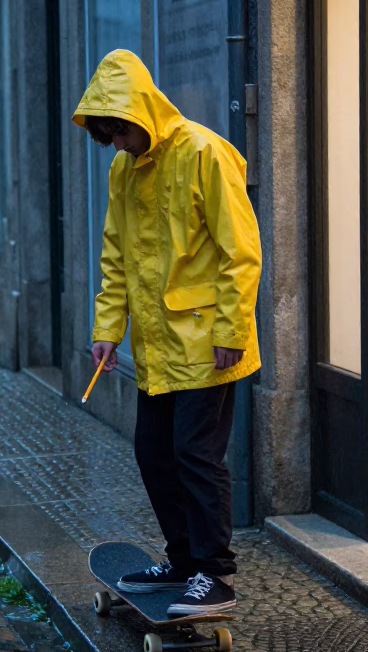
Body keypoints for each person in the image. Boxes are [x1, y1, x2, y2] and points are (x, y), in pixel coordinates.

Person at [74, 49, 262, 616]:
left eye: (119, 132)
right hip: (159, 347)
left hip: (209, 342)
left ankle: (215, 574)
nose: (116, 144)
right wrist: (108, 328)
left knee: (196, 455)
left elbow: (241, 250)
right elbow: (117, 257)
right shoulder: (123, 170)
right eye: (107, 136)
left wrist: (233, 328)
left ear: (139, 115)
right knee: (153, 452)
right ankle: (182, 560)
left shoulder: (205, 153)